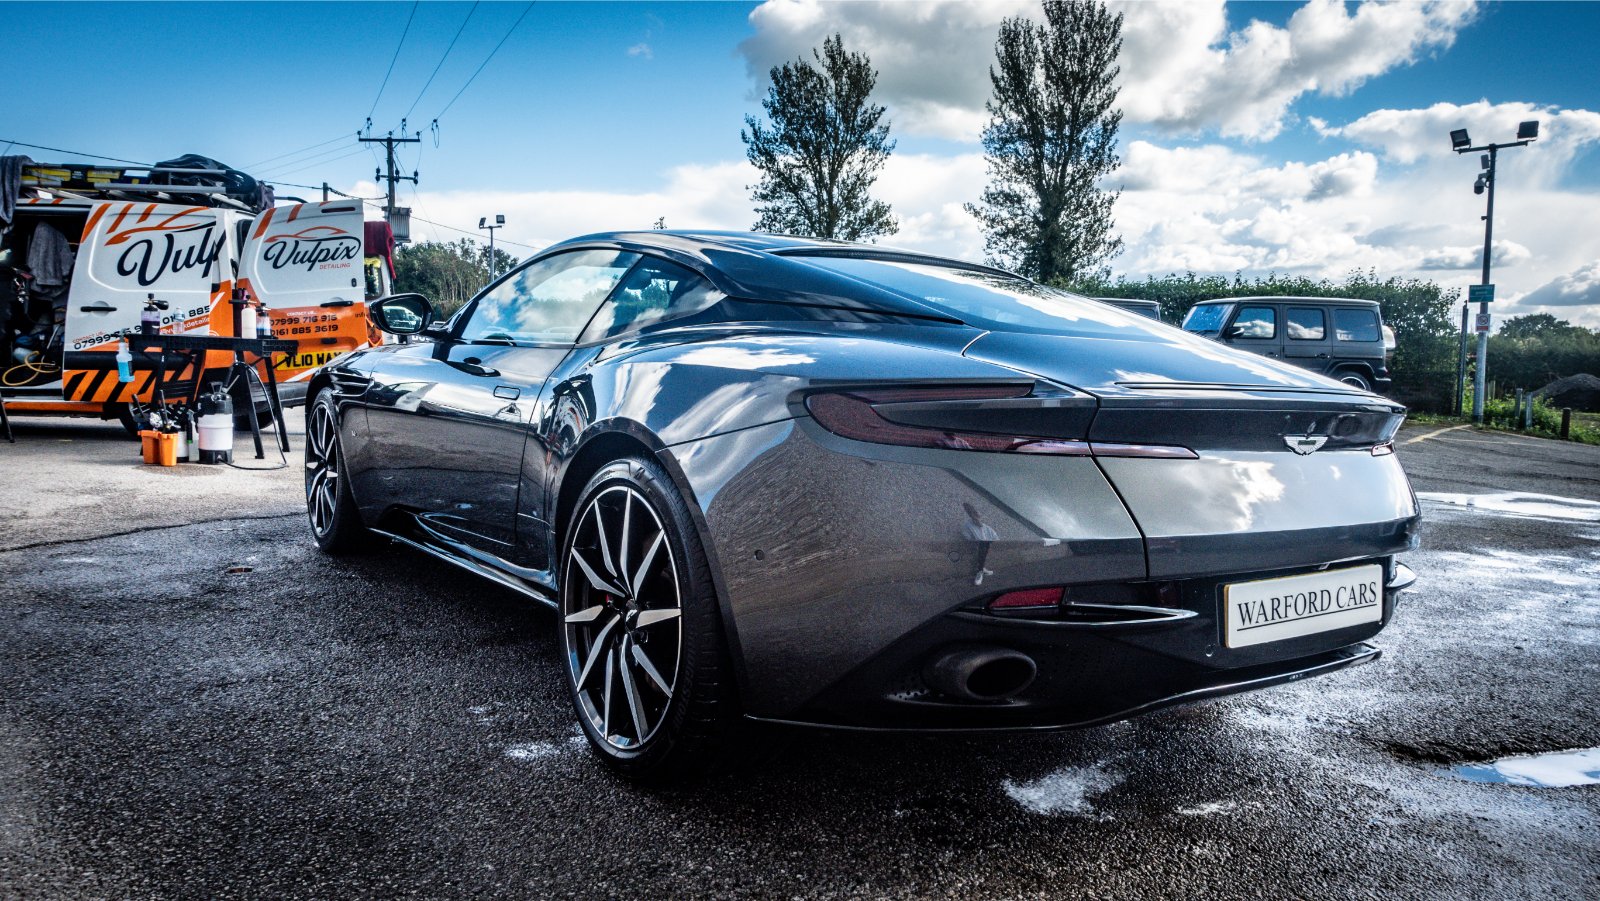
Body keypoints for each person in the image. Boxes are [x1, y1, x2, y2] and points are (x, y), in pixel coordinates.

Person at [961, 502, 999, 586]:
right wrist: (976, 541)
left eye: (978, 514)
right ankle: (980, 572)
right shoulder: (967, 525)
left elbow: (995, 537)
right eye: (974, 513)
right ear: (970, 515)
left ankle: (981, 569)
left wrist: (990, 541)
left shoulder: (985, 527)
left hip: (983, 548)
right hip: (974, 547)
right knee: (982, 544)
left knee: (985, 544)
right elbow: (966, 537)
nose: (977, 516)